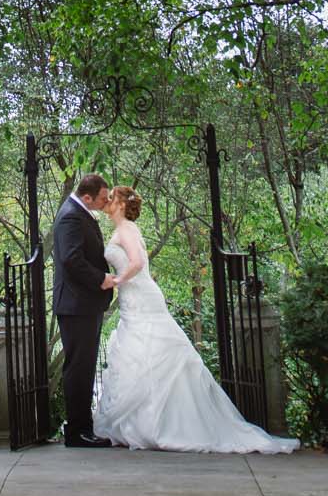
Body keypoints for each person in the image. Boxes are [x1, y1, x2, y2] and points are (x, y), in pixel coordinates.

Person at [92, 185, 299, 454]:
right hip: (133, 300)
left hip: (141, 296)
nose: (107, 201)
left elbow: (137, 263)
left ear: (120, 204)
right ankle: (141, 421)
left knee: (154, 355)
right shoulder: (120, 230)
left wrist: (116, 280)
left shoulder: (127, 230)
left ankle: (160, 424)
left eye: (112, 198)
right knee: (140, 354)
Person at [51, 172, 117, 448]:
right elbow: (71, 259)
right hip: (77, 304)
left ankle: (82, 428)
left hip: (83, 304)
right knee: (79, 368)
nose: (107, 202)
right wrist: (100, 278)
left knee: (84, 367)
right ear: (87, 196)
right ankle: (78, 432)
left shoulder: (80, 212)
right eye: (103, 198)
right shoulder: (70, 216)